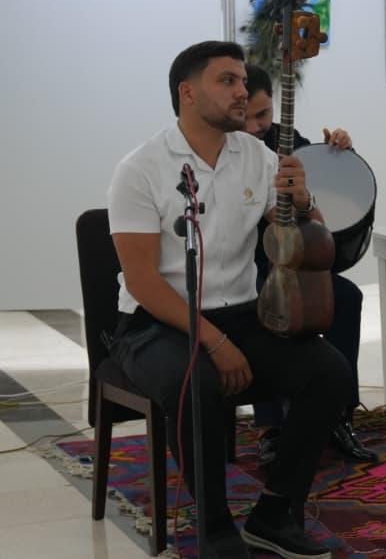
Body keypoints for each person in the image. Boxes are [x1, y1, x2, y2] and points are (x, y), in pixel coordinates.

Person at [108, 41, 348, 559]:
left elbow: (306, 240)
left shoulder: (256, 156)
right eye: (228, 81)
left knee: (329, 372)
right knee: (196, 382)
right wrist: (215, 343)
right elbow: (143, 281)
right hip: (155, 322)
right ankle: (215, 528)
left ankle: (275, 513)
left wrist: (304, 200)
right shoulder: (141, 168)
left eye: (242, 80)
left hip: (242, 313)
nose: (243, 91)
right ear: (188, 92)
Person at [242, 63, 375, 465]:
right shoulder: (225, 150)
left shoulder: (285, 139)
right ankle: (270, 427)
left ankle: (339, 414)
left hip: (292, 259)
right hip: (246, 264)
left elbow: (318, 173)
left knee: (346, 298)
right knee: (267, 307)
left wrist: (339, 149)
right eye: (248, 117)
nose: (257, 126)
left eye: (264, 115)